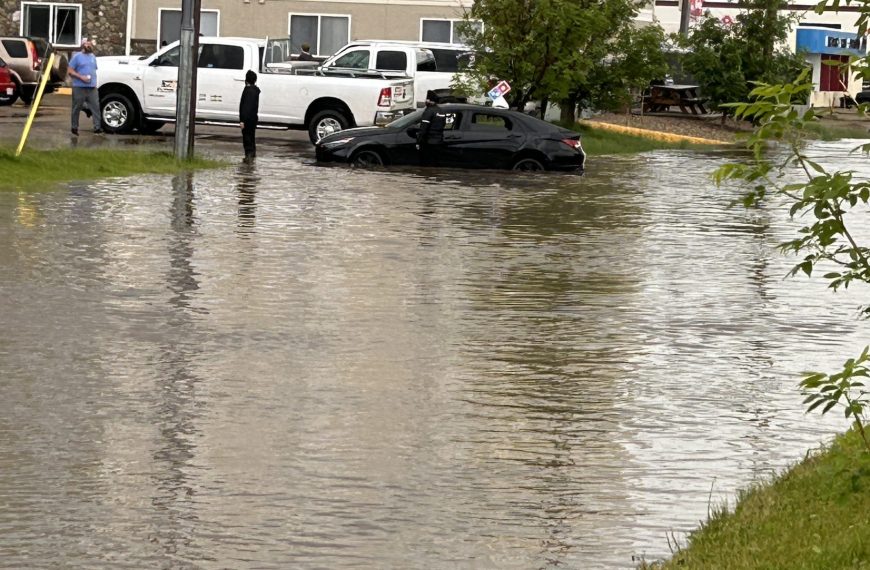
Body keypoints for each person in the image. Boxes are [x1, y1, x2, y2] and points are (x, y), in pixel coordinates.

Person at [68, 37, 102, 136]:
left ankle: (97, 128)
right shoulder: (77, 57)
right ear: (83, 45)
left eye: (91, 44)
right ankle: (74, 127)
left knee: (96, 107)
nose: (90, 46)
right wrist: (81, 77)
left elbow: (94, 70)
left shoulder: (93, 57)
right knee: (76, 107)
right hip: (79, 86)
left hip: (92, 87)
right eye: (88, 44)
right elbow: (70, 71)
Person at [416, 90, 446, 166]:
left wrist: (419, 141)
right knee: (435, 164)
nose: (425, 101)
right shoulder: (441, 111)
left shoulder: (429, 111)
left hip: (429, 143)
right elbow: (443, 124)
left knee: (427, 164)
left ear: (429, 100)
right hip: (439, 141)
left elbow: (423, 128)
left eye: (426, 99)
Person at [238, 69, 260, 160]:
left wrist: (242, 120)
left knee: (247, 139)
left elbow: (245, 107)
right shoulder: (255, 91)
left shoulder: (248, 91)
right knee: (252, 137)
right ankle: (252, 155)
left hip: (247, 119)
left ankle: (249, 158)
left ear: (246, 80)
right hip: (253, 118)